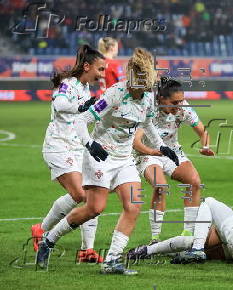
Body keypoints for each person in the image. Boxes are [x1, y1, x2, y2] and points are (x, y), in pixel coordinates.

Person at [36, 48, 179, 276]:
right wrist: (90, 145)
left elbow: (148, 124)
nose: (141, 90)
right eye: (138, 86)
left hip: (124, 160)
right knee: (94, 208)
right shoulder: (114, 93)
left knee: (133, 206)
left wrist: (161, 146)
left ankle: (111, 261)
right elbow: (82, 120)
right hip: (99, 157)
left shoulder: (148, 97)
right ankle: (48, 240)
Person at [31, 44, 106, 263]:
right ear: (86, 66)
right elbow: (62, 104)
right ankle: (41, 229)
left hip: (76, 146)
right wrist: (82, 107)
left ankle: (87, 250)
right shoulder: (68, 84)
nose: (101, 74)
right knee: (80, 194)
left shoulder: (85, 88)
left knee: (93, 193)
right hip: (58, 146)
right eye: (99, 69)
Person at [133, 77, 214, 244]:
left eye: (181, 101)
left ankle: (187, 234)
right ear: (161, 99)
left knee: (194, 182)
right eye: (174, 102)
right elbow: (136, 143)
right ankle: (155, 239)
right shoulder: (148, 108)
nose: (179, 106)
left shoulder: (183, 108)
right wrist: (154, 151)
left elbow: (202, 131)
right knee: (160, 186)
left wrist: (205, 147)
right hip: (147, 153)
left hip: (172, 151)